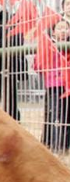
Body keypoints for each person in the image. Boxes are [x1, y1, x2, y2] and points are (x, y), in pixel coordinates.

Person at [34, 18, 70, 153]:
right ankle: (56, 145)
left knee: (66, 116)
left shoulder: (68, 46)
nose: (63, 31)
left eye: (66, 28)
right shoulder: (48, 46)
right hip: (54, 85)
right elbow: (38, 64)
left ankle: (65, 145)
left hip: (68, 85)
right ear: (53, 32)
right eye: (60, 28)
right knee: (56, 116)